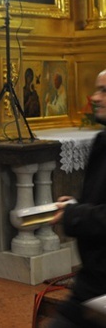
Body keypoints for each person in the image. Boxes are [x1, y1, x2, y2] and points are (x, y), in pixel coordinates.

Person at [48, 69, 106, 328]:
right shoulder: (101, 139)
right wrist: (74, 205)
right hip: (92, 280)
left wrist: (73, 215)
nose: (94, 97)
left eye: (104, 91)